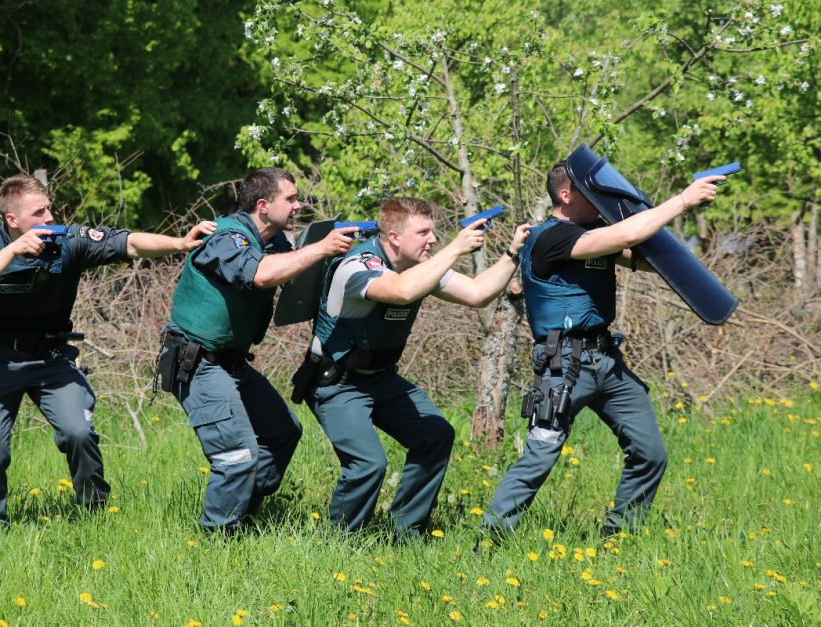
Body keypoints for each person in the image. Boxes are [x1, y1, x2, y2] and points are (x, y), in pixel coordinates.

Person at [0, 173, 216, 526]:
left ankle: (94, 515)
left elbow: (131, 244)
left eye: (49, 208)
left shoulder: (70, 241)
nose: (49, 218)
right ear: (12, 220)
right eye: (38, 213)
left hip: (51, 358)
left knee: (78, 432)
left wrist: (180, 244)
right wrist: (13, 250)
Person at [483, 163, 724, 537]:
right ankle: (491, 539)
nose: (599, 200)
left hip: (607, 360)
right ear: (566, 195)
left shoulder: (594, 234)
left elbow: (642, 257)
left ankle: (617, 537)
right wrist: (682, 200)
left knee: (650, 453)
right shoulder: (552, 239)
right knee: (539, 458)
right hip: (561, 364)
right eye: (589, 192)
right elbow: (625, 234)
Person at [299, 196, 530, 540]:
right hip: (337, 383)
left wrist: (512, 253)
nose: (432, 239)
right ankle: (340, 544)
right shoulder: (356, 266)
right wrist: (455, 248)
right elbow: (402, 291)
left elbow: (478, 292)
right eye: (423, 232)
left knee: (435, 435)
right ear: (394, 236)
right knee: (368, 464)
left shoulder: (419, 268)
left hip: (381, 380)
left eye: (434, 233)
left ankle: (405, 533)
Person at [159, 167, 357, 532]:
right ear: (264, 206)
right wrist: (321, 247)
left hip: (231, 363)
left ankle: (244, 514)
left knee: (283, 432)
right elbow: (261, 274)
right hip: (197, 361)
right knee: (237, 455)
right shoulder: (224, 238)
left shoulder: (273, 241)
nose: (299, 205)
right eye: (291, 199)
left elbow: (295, 269)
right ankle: (217, 539)